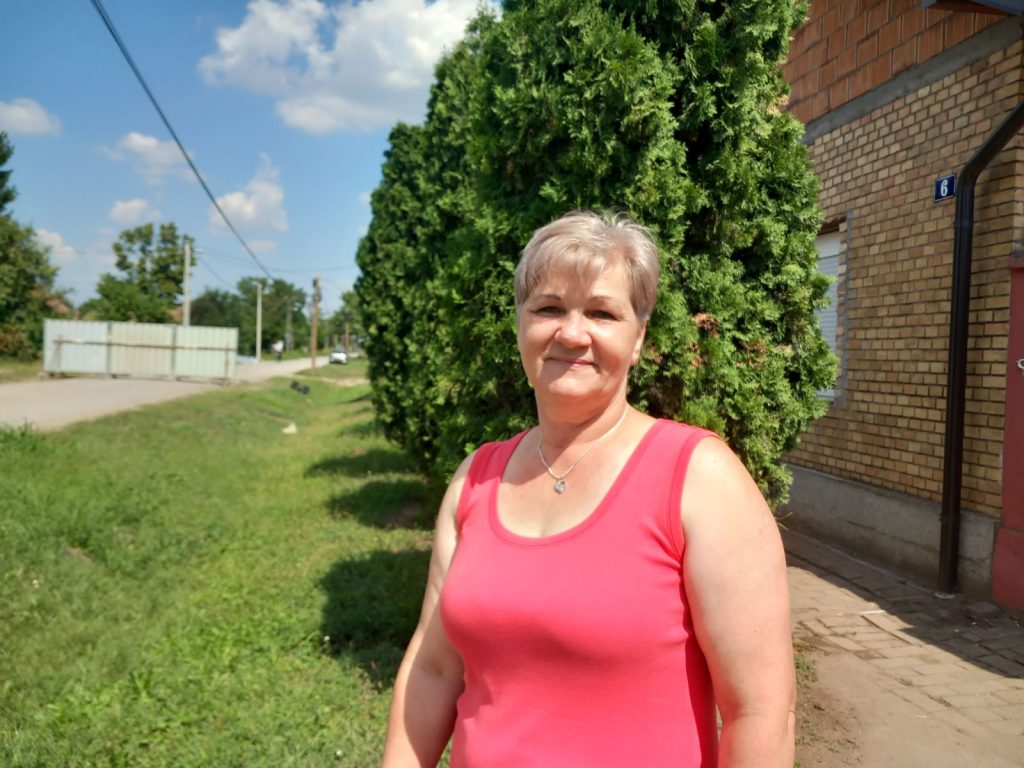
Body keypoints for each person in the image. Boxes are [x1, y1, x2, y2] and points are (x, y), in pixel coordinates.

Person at [381, 211, 795, 767]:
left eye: (601, 313)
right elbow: (433, 671)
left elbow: (761, 711)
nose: (572, 334)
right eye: (549, 308)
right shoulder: (475, 478)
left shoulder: (699, 478)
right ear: (520, 325)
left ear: (638, 337)